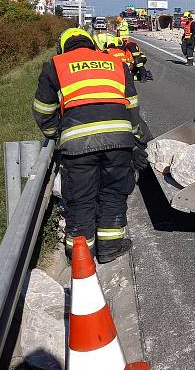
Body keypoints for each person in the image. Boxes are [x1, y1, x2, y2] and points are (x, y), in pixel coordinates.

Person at [32, 28, 149, 263]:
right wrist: (136, 141)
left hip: (77, 145)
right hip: (118, 141)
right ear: (92, 44)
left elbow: (43, 110)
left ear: (63, 47)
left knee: (80, 199)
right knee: (114, 194)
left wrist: (56, 134)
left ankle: (80, 256)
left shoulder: (56, 64)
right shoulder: (115, 64)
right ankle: (109, 247)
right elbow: (132, 108)